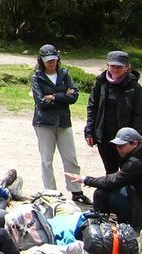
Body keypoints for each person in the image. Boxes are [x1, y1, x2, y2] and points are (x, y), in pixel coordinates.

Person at [66, 127, 142, 231]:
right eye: (117, 145)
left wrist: (85, 179)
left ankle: (103, 227)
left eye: (122, 145)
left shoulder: (136, 163)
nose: (118, 149)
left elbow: (112, 182)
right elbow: (116, 177)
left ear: (134, 143)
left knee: (101, 194)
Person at [31, 44, 89, 204]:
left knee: (70, 157)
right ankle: (50, 193)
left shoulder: (64, 73)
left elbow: (74, 96)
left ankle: (76, 191)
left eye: (54, 60)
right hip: (44, 123)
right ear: (41, 61)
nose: (52, 63)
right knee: (46, 159)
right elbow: (41, 102)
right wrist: (63, 96)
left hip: (63, 121)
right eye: (48, 61)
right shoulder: (37, 77)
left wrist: (54, 97)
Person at [85, 51, 142, 174]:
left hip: (125, 138)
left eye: (119, 67)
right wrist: (89, 130)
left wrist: (136, 138)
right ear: (108, 65)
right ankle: (111, 193)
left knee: (126, 171)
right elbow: (92, 107)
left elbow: (138, 115)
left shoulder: (134, 87)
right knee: (110, 171)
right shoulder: (100, 82)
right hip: (104, 135)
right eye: (113, 66)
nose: (115, 70)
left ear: (127, 67)